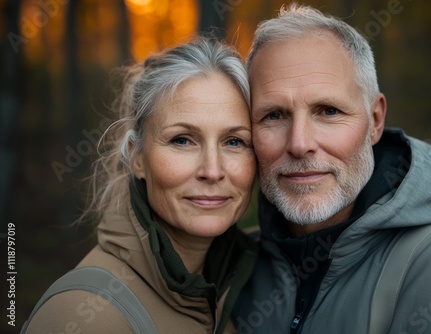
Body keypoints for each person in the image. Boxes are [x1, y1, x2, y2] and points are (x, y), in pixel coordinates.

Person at [233, 4, 431, 334]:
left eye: (328, 111)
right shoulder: (231, 272)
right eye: (274, 115)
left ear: (375, 121)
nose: (299, 143)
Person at [22, 37, 257, 334]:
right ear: (137, 157)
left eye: (234, 141)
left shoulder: (241, 288)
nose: (212, 170)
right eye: (182, 140)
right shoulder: (85, 316)